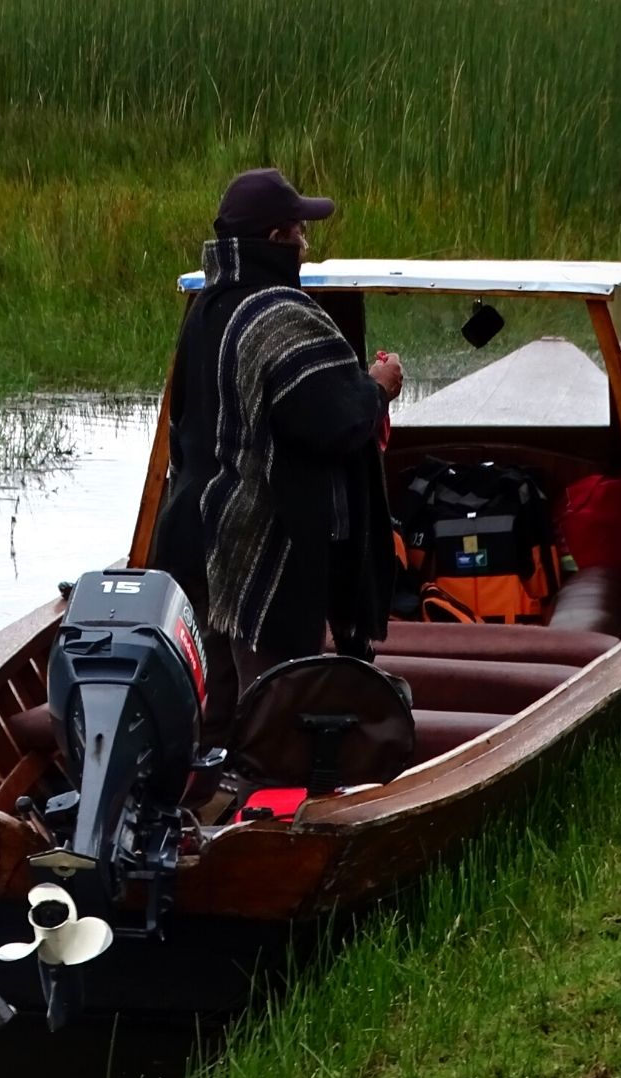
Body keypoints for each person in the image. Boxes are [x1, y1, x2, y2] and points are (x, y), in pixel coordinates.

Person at [149, 168, 403, 750]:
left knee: (209, 696)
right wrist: (378, 386)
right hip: (260, 545)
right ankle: (263, 808)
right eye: (298, 232)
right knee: (272, 698)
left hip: (194, 533)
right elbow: (333, 421)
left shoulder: (206, 307)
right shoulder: (279, 313)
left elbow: (184, 417)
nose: (305, 243)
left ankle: (198, 792)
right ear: (276, 239)